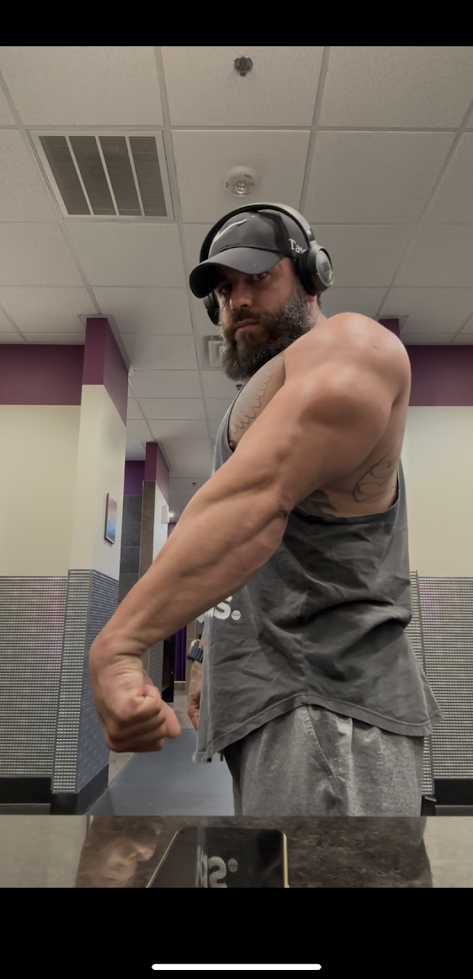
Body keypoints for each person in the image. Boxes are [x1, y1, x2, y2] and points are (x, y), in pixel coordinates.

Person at [90, 203, 441, 816]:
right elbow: (254, 555)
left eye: (258, 277)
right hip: (278, 708)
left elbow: (254, 505)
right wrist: (207, 655)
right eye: (226, 290)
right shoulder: (269, 393)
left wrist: (118, 644)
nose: (239, 301)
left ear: (311, 278)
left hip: (329, 711)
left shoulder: (354, 347)